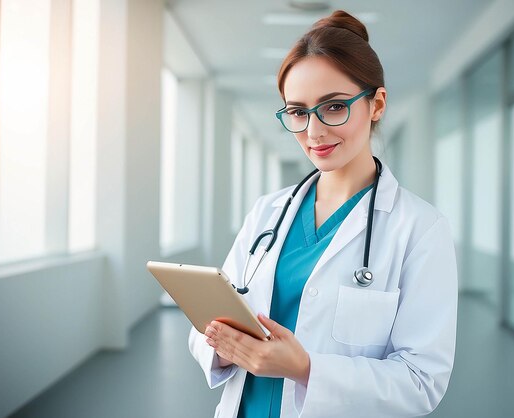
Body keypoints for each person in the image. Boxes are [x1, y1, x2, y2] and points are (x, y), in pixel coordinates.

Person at [189, 10, 458, 418]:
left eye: (333, 107)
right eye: (297, 112)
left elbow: (421, 383)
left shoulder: (420, 229)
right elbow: (210, 325)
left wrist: (305, 368)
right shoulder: (268, 212)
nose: (313, 132)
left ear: (377, 104)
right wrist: (222, 346)